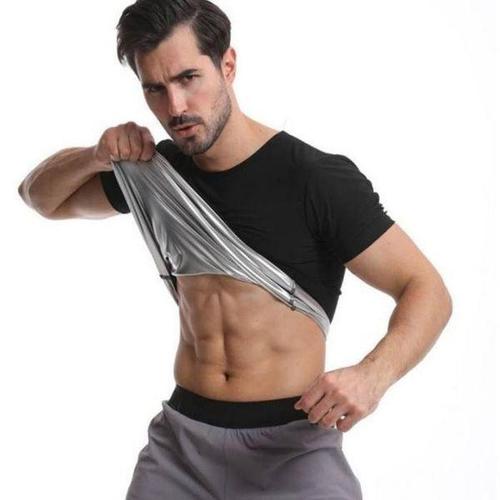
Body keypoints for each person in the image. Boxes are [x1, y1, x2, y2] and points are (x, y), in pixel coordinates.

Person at [17, 0, 453, 498]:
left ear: (227, 65)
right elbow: (40, 198)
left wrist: (372, 377)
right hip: (181, 447)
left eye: (188, 78)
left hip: (292, 448)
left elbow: (427, 289)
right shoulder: (157, 176)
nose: (175, 107)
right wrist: (95, 155)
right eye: (155, 89)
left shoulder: (314, 179)